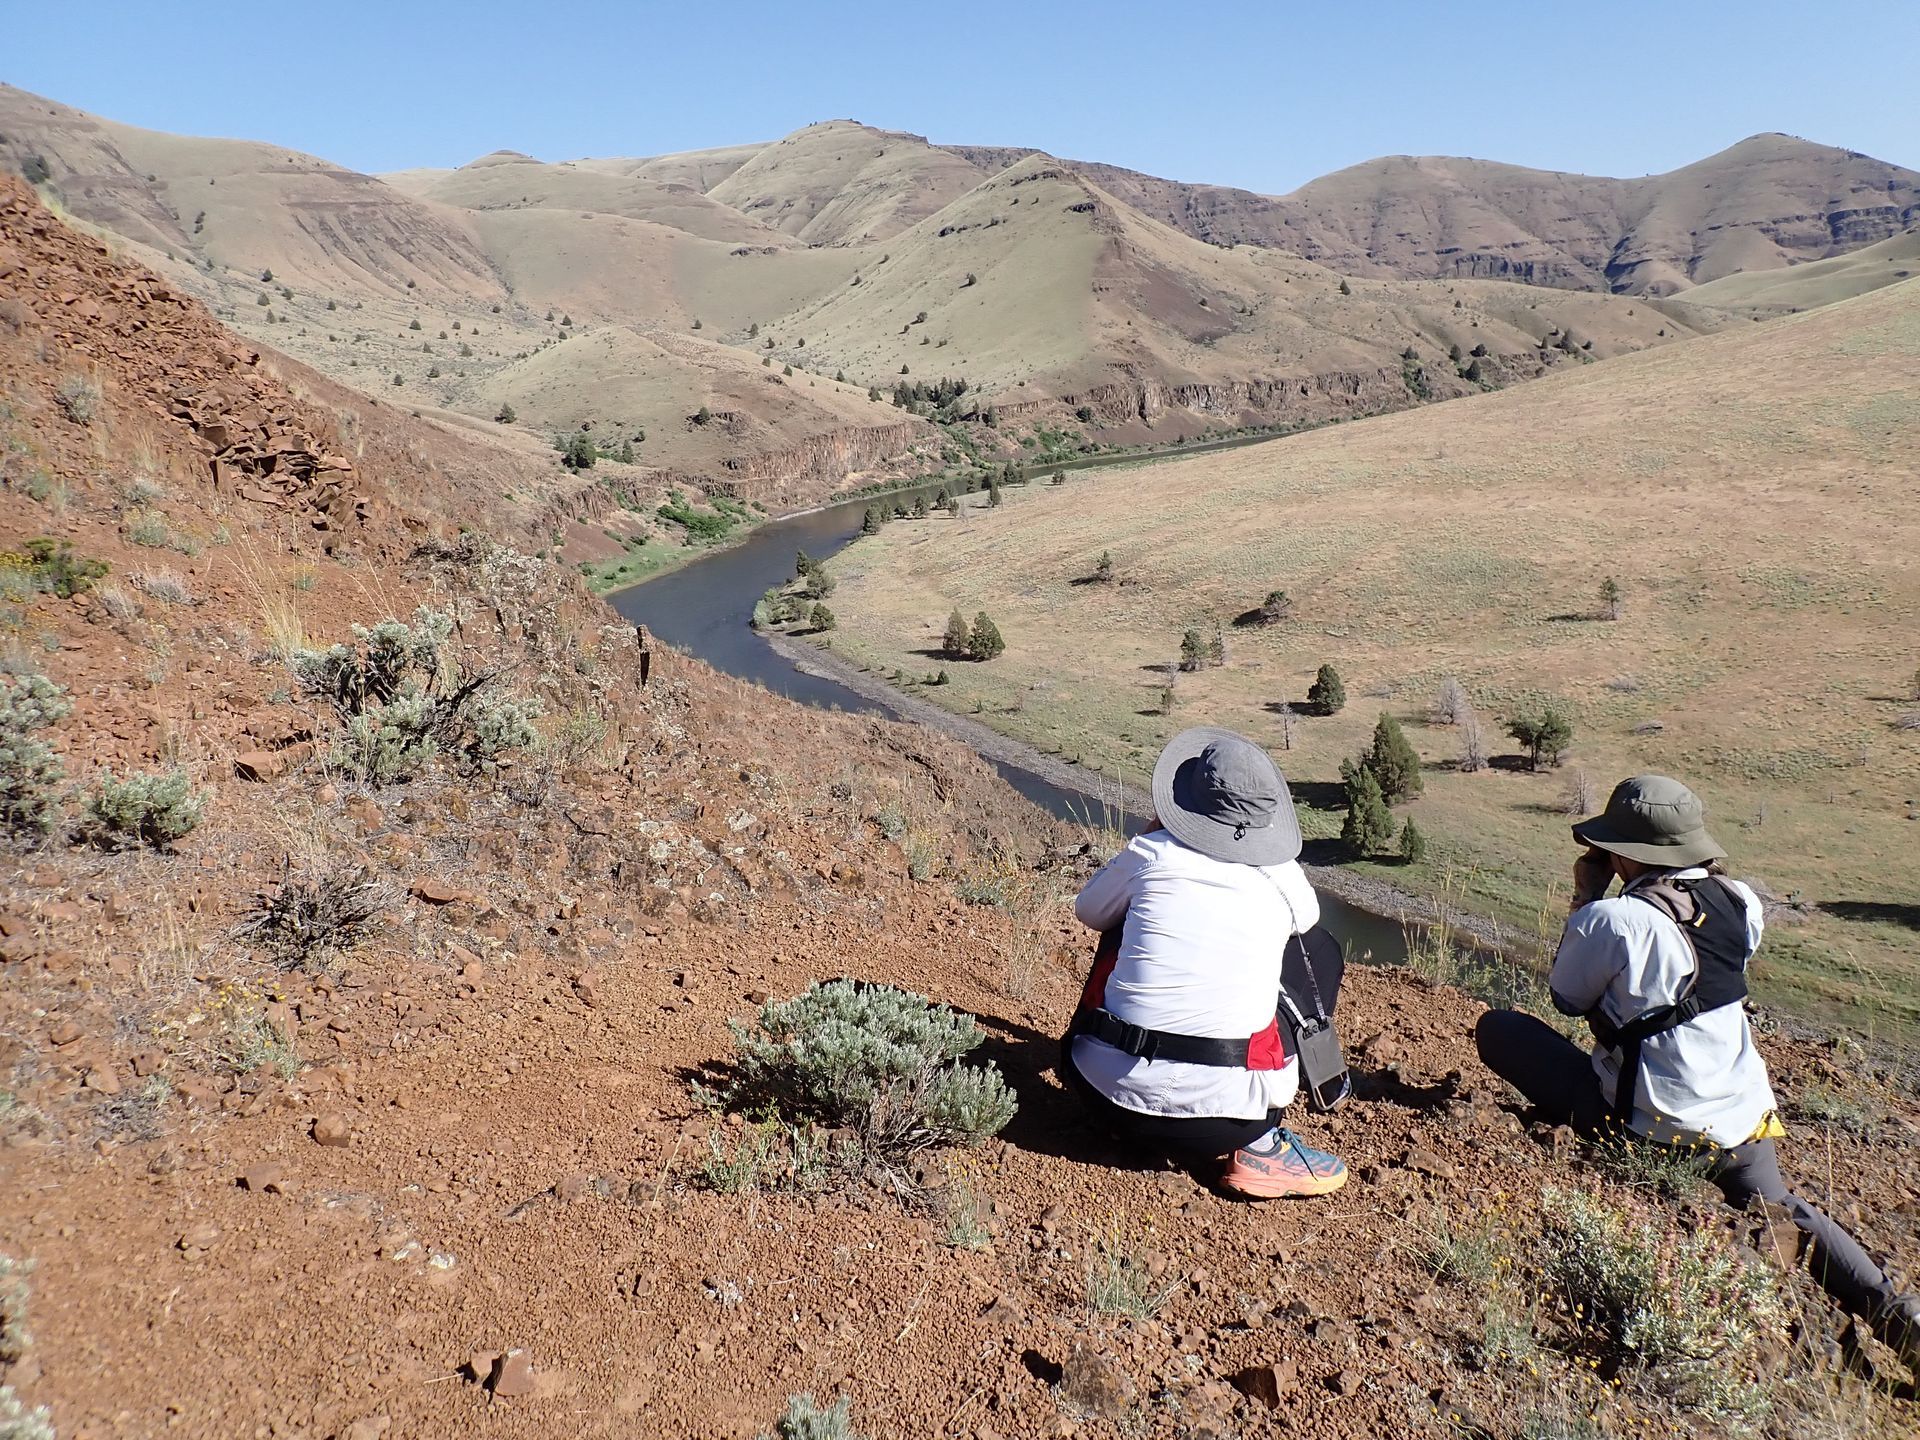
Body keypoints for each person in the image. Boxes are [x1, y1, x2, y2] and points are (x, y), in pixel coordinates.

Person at [1475, 774, 1919, 1366]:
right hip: (1742, 1124)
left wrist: (1588, 896)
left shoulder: (1611, 921)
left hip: (1649, 1126)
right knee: (1787, 1209)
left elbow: (1565, 997)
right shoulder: (1741, 902)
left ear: (1619, 853)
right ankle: (1896, 1315)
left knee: (1499, 1030)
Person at [1061, 727, 1348, 1199]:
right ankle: (1262, 1148)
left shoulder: (1152, 853)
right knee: (1314, 948)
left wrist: (1150, 838)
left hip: (1099, 1092)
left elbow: (1089, 910)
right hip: (1228, 1123)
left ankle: (1120, 1071)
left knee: (1121, 918)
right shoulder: (1282, 877)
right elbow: (1308, 920)